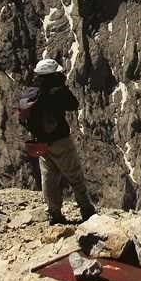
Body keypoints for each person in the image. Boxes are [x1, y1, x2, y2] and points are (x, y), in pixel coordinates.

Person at [19, 58, 96, 224]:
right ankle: (87, 211)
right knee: (75, 176)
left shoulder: (31, 93)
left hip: (41, 143)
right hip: (60, 141)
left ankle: (54, 214)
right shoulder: (56, 91)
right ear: (52, 74)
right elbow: (73, 104)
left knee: (49, 178)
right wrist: (62, 88)